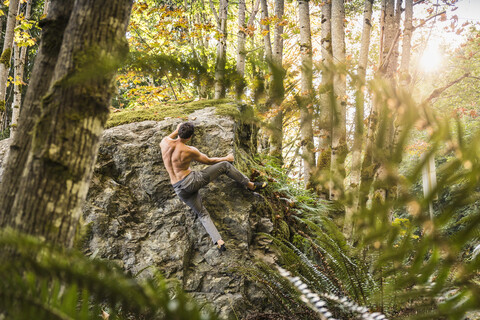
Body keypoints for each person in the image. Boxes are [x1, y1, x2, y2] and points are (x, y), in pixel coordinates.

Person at [160, 122, 267, 251]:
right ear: (189, 137)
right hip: (192, 181)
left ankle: (219, 241)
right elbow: (209, 161)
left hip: (178, 189)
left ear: (178, 131)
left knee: (202, 213)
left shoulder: (164, 142)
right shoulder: (189, 150)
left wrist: (177, 130)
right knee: (225, 166)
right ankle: (251, 185)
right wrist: (226, 158)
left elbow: (170, 137)